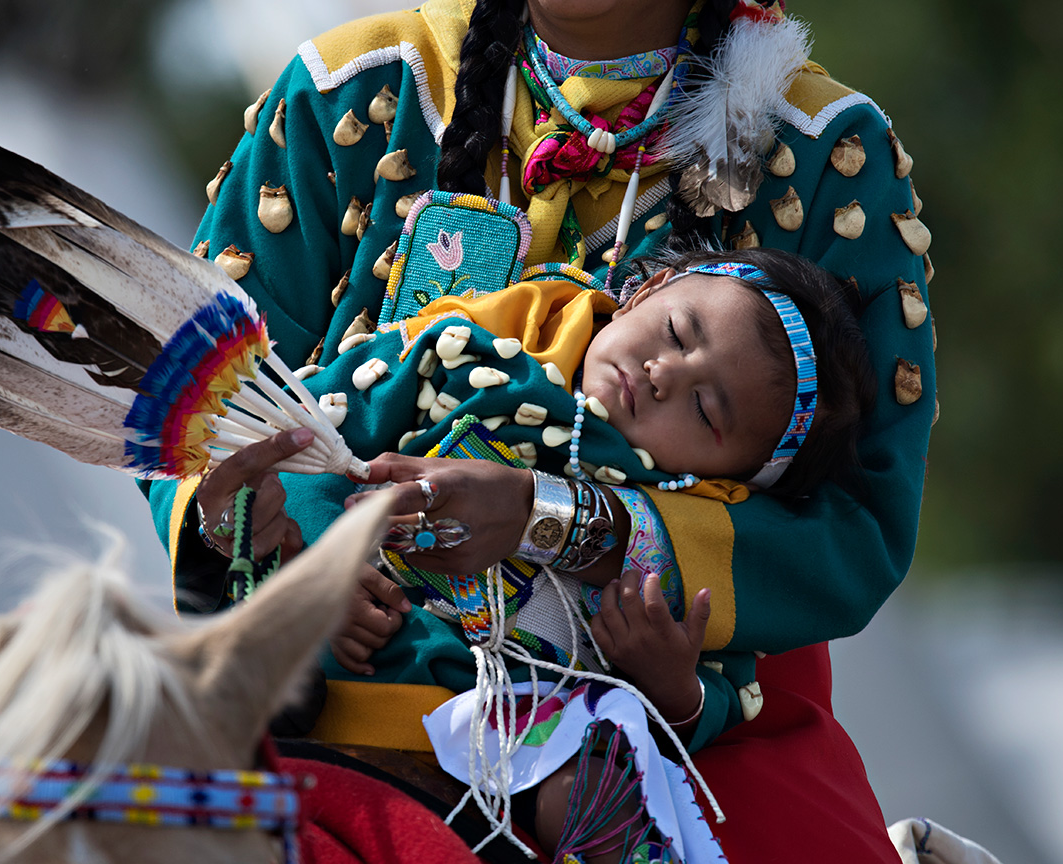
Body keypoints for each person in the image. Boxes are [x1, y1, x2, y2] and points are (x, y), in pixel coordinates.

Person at [139, 1, 935, 861]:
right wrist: (285, 560)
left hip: (678, 707)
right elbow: (199, 406)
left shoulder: (823, 151)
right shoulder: (349, 87)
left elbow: (856, 531)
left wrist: (549, 519)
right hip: (333, 660)